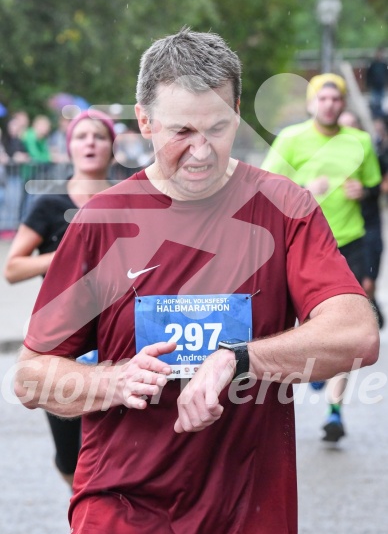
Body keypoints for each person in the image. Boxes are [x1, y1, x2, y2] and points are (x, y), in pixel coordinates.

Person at [14, 30, 379, 534]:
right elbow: (31, 375)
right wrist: (112, 382)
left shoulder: (284, 207)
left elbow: (357, 333)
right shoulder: (102, 221)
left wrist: (240, 357)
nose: (202, 151)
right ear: (144, 121)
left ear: (236, 111)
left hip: (249, 510)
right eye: (181, 131)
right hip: (122, 508)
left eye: (219, 127)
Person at [262, 73, 381, 444]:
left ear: (343, 103)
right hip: (301, 242)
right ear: (312, 103)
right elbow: (263, 189)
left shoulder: (360, 141)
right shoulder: (291, 139)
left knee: (346, 323)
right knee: (305, 320)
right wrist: (301, 190)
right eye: (323, 98)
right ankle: (316, 363)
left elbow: (374, 188)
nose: (329, 104)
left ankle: (334, 411)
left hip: (349, 242)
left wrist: (363, 191)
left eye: (336, 99)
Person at [4, 110, 115, 487]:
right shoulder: (49, 205)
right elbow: (13, 267)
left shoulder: (130, 200)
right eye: (81, 136)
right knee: (70, 454)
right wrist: (71, 253)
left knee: (120, 442)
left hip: (118, 337)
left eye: (99, 136)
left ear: (112, 147)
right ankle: (79, 504)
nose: (90, 143)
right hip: (60, 342)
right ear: (69, 148)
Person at [338, 111, 385, 328]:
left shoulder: (370, 154)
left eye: (353, 126)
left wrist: (364, 191)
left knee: (369, 279)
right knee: (355, 280)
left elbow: (378, 186)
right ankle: (360, 317)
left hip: (370, 224)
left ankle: (370, 301)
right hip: (345, 230)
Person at [366, 47, 388, 118]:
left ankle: (379, 115)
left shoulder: (384, 65)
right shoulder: (373, 65)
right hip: (374, 85)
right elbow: (368, 75)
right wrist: (368, 84)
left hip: (381, 85)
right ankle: (375, 114)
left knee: (380, 100)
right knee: (375, 100)